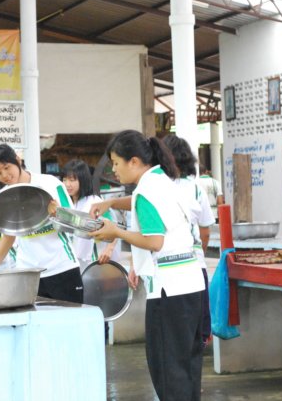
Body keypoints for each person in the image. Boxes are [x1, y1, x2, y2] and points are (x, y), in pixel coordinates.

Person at [88, 130, 205, 401]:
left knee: (168, 370)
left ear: (134, 161)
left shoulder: (146, 191)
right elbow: (141, 203)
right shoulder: (162, 181)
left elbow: (154, 241)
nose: (114, 170)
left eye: (116, 163)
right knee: (187, 367)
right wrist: (112, 202)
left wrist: (116, 232)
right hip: (191, 285)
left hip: (168, 291)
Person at [0, 144, 83, 304]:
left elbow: (74, 222)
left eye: (6, 167)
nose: (5, 176)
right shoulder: (4, 197)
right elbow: (8, 237)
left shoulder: (50, 183)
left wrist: (58, 213)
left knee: (72, 317)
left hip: (62, 268)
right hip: (27, 274)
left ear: (17, 160)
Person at [163, 135, 216, 345]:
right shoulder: (195, 188)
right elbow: (205, 231)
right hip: (195, 264)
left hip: (167, 267)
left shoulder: (157, 187)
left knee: (172, 329)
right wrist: (199, 252)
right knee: (197, 328)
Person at [61, 159, 120, 266]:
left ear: (83, 180)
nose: (67, 184)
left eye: (72, 180)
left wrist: (109, 249)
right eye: (64, 180)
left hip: (97, 259)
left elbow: (114, 228)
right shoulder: (69, 203)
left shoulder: (94, 202)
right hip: (77, 260)